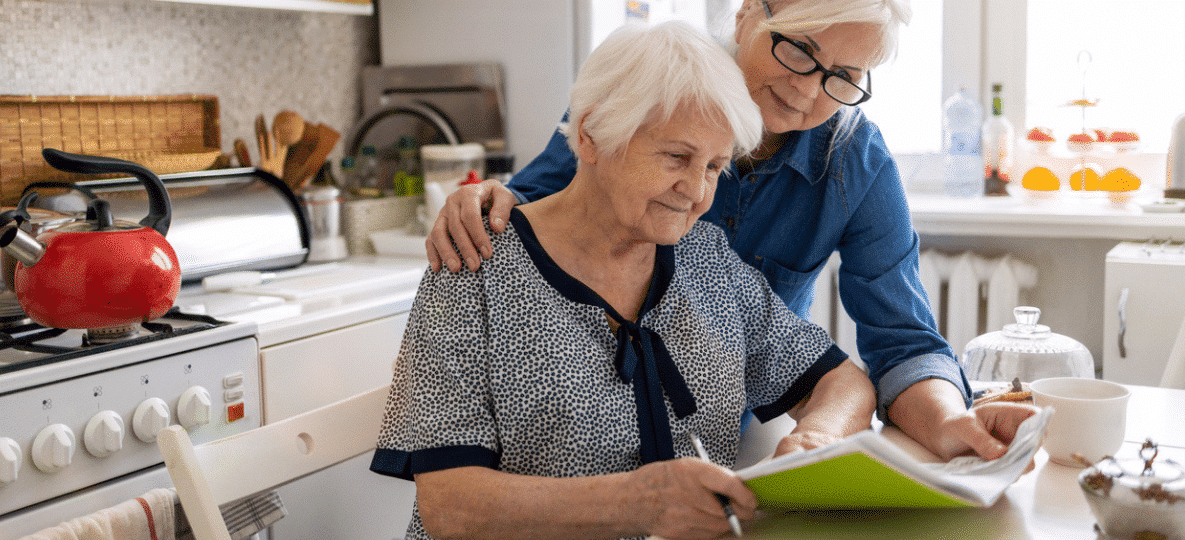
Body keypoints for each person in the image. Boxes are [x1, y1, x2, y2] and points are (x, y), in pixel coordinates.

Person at [424, 0, 1039, 463]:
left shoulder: (855, 163)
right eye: (798, 49)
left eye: (842, 75)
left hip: (725, 435)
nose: (805, 88)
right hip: (575, 439)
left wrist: (950, 420)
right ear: (749, 12)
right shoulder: (648, 90)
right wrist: (479, 200)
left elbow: (902, 342)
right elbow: (540, 210)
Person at [371, 21, 876, 540]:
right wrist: (640, 502)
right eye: (677, 157)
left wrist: (816, 439)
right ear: (590, 135)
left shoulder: (708, 261)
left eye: (714, 167)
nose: (696, 192)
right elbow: (450, 507)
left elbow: (843, 383)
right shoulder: (474, 265)